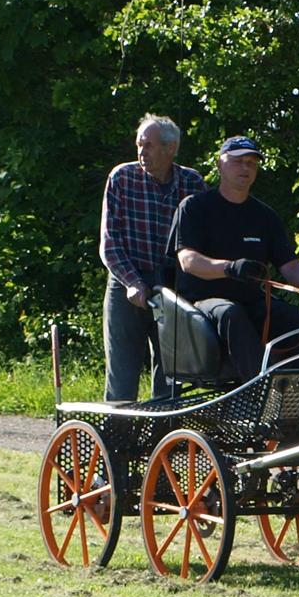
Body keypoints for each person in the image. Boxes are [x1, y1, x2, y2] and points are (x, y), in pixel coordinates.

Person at [169, 135, 299, 380]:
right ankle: (259, 393)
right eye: (238, 161)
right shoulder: (194, 208)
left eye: (251, 162)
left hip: (253, 303)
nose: (245, 167)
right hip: (202, 306)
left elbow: (289, 266)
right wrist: (230, 268)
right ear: (220, 164)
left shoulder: (265, 216)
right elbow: (188, 261)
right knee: (231, 313)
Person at [99, 114, 207, 401]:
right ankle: (118, 441)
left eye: (148, 145)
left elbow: (203, 240)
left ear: (170, 149)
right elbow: (109, 243)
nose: (141, 152)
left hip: (173, 290)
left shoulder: (192, 182)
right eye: (139, 145)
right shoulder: (122, 177)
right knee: (122, 376)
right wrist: (133, 282)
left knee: (172, 378)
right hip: (127, 283)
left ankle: (163, 441)